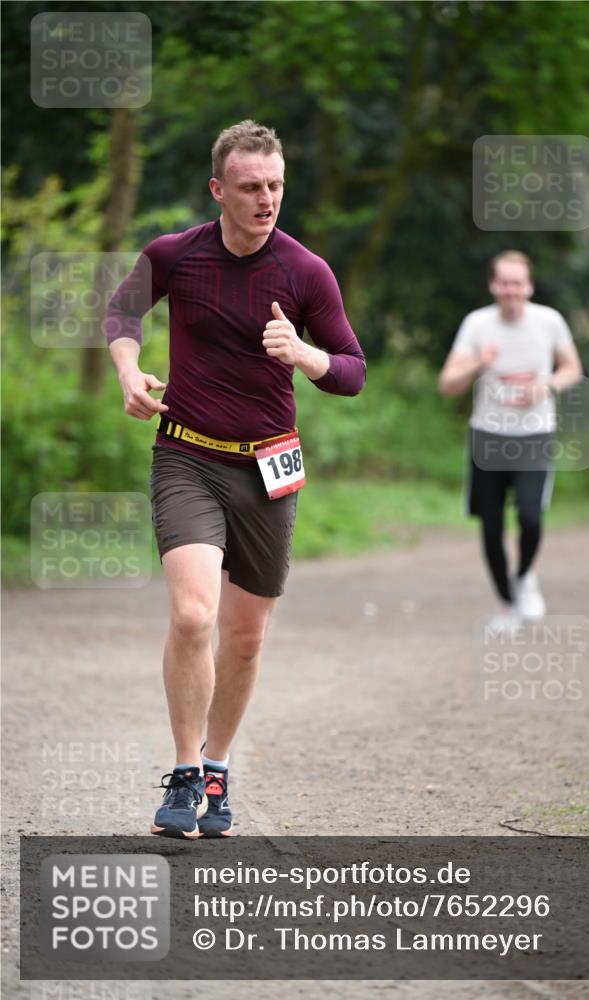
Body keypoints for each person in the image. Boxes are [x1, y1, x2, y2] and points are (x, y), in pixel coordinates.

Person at [105, 120, 366, 838]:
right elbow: (122, 310)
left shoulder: (305, 271)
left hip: (268, 467)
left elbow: (352, 369)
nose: (265, 199)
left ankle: (217, 768)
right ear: (218, 189)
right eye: (250, 187)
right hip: (186, 454)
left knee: (245, 636)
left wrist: (305, 357)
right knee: (193, 614)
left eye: (275, 185)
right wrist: (128, 371)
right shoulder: (175, 255)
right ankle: (184, 774)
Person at [438, 250, 582, 633]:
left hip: (534, 433)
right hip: (488, 436)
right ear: (492, 285)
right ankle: (507, 605)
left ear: (529, 286)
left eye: (517, 283)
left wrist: (546, 385)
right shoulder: (477, 324)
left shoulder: (549, 321)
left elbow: (572, 368)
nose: (510, 290)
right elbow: (447, 385)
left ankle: (524, 577)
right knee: (490, 525)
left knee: (531, 516)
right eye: (503, 282)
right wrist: (479, 363)